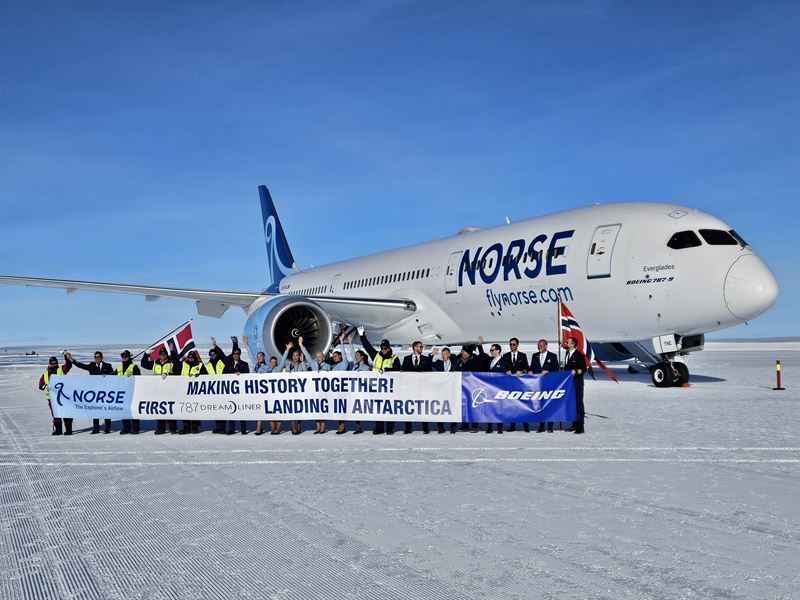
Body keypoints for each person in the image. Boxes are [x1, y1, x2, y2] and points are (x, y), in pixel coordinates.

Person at [358, 326, 400, 434]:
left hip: (390, 388)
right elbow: (367, 347)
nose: (383, 350)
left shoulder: (394, 358)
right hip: (377, 387)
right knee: (379, 407)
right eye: (382, 348)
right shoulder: (376, 356)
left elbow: (397, 369)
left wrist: (386, 370)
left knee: (389, 408)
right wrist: (362, 335)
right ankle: (379, 427)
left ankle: (390, 427)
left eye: (385, 348)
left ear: (389, 348)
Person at [66, 350, 114, 434]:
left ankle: (107, 428)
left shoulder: (108, 365)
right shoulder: (91, 365)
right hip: (95, 392)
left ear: (102, 357)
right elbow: (80, 365)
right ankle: (96, 429)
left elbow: (114, 376)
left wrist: (107, 376)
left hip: (105, 392)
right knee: (95, 410)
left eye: (98, 356)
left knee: (106, 410)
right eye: (95, 357)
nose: (97, 358)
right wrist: (70, 359)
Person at [276, 338, 314, 434]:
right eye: (293, 355)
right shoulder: (289, 366)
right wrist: (287, 350)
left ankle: (299, 426)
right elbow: (280, 368)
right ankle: (293, 427)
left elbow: (306, 373)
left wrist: (302, 362)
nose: (295, 357)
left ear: (299, 356)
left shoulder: (302, 365)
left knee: (299, 411)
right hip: (291, 392)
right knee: (292, 411)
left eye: (297, 355)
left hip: (300, 392)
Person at [141, 343, 179, 434]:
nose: (162, 356)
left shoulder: (171, 362)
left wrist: (169, 374)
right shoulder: (155, 362)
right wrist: (146, 354)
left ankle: (173, 428)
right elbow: (144, 364)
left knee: (170, 408)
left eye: (164, 354)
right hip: (158, 389)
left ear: (167, 354)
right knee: (160, 409)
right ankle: (161, 428)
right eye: (161, 354)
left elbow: (178, 367)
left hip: (170, 389)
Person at [401, 340, 432, 433]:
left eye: (422, 347)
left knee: (423, 407)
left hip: (421, 388)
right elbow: (402, 373)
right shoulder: (406, 359)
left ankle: (425, 427)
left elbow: (429, 372)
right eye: (420, 347)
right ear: (415, 348)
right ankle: (408, 427)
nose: (422, 348)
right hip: (409, 388)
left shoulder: (425, 359)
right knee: (408, 407)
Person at [530, 339, 560, 433]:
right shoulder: (535, 356)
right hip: (538, 385)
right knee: (540, 404)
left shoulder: (553, 356)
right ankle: (541, 425)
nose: (539, 347)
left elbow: (556, 369)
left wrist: (548, 371)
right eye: (538, 345)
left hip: (549, 384)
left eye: (541, 345)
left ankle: (550, 426)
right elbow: (532, 367)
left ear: (546, 346)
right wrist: (530, 371)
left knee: (549, 404)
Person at [39, 355, 73, 435]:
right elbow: (41, 384)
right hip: (52, 398)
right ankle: (58, 430)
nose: (54, 364)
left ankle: (68, 430)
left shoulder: (61, 369)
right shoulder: (45, 374)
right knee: (56, 414)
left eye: (55, 363)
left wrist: (66, 356)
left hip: (63, 397)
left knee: (66, 413)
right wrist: (44, 386)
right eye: (52, 363)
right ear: (49, 364)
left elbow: (69, 365)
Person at [503, 337, 530, 432]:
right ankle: (512, 425)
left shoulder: (523, 355)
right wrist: (506, 371)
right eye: (510, 344)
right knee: (512, 404)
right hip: (510, 384)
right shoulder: (505, 356)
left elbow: (527, 368)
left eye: (513, 344)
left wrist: (522, 371)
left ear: (517, 345)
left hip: (521, 383)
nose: (512, 346)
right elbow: (503, 367)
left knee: (523, 404)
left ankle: (525, 424)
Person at [454, 345, 482, 432]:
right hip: (461, 386)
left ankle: (474, 426)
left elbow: (478, 370)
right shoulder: (458, 360)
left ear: (468, 353)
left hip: (472, 386)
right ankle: (465, 425)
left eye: (464, 351)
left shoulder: (475, 360)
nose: (462, 352)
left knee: (473, 406)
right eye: (462, 351)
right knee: (463, 406)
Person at [224, 342, 250, 434]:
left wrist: (240, 374)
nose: (235, 355)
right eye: (234, 353)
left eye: (237, 353)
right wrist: (232, 372)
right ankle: (232, 428)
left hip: (241, 392)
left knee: (241, 409)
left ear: (240, 354)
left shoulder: (244, 364)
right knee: (231, 409)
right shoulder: (228, 364)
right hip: (231, 391)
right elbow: (224, 374)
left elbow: (247, 376)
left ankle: (243, 428)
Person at [206, 337, 231, 434]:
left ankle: (223, 428)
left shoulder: (222, 362)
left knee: (222, 409)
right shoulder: (207, 365)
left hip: (222, 389)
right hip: (213, 391)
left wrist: (215, 346)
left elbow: (223, 355)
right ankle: (218, 427)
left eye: (214, 354)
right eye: (211, 354)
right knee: (216, 409)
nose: (213, 355)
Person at [564, 336, 587, 434]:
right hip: (569, 384)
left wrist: (576, 372)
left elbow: (583, 369)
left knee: (578, 404)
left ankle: (580, 426)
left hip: (577, 383)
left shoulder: (579, 355)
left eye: (567, 342)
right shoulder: (567, 353)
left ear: (572, 344)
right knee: (571, 404)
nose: (566, 343)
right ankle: (574, 424)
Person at [178, 350, 204, 434]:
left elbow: (206, 375)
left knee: (195, 409)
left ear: (195, 358)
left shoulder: (200, 365)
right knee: (185, 408)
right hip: (184, 390)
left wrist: (199, 375)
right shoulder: (183, 364)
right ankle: (186, 428)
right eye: (189, 357)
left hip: (195, 391)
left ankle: (195, 427)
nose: (190, 358)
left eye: (192, 357)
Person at [116, 350, 142, 435]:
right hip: (122, 392)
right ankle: (126, 428)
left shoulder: (134, 366)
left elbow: (138, 378)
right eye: (123, 356)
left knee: (133, 410)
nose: (124, 358)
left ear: (129, 357)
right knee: (124, 411)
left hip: (132, 392)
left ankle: (135, 429)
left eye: (126, 356)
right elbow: (113, 377)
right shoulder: (119, 367)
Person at [430, 347, 454, 433]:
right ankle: (440, 427)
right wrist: (432, 355)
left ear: (449, 354)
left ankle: (453, 427)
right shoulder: (438, 363)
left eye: (445, 354)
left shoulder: (454, 363)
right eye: (442, 354)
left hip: (452, 389)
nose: (443, 356)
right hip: (441, 389)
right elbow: (429, 363)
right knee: (440, 408)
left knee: (453, 408)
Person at [484, 343, 507, 434]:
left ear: (498, 351)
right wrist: (479, 345)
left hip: (498, 388)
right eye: (491, 350)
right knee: (489, 407)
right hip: (489, 387)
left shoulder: (503, 361)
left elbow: (503, 373)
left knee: (498, 408)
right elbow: (482, 355)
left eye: (492, 350)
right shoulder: (490, 360)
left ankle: (499, 427)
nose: (491, 352)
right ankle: (489, 427)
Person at [349, 348, 371, 434]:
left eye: (357, 355)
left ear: (362, 357)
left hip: (362, 390)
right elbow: (351, 354)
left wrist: (363, 373)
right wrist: (350, 343)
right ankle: (358, 426)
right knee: (356, 408)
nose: (355, 357)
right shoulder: (355, 366)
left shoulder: (366, 367)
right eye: (355, 356)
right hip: (355, 390)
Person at [310, 349, 330, 435]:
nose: (318, 358)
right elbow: (307, 356)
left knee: (323, 408)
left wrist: (325, 372)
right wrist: (301, 346)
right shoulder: (314, 365)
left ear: (323, 358)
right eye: (317, 357)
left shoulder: (327, 366)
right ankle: (317, 427)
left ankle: (323, 426)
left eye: (319, 357)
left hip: (324, 391)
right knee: (316, 408)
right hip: (315, 390)